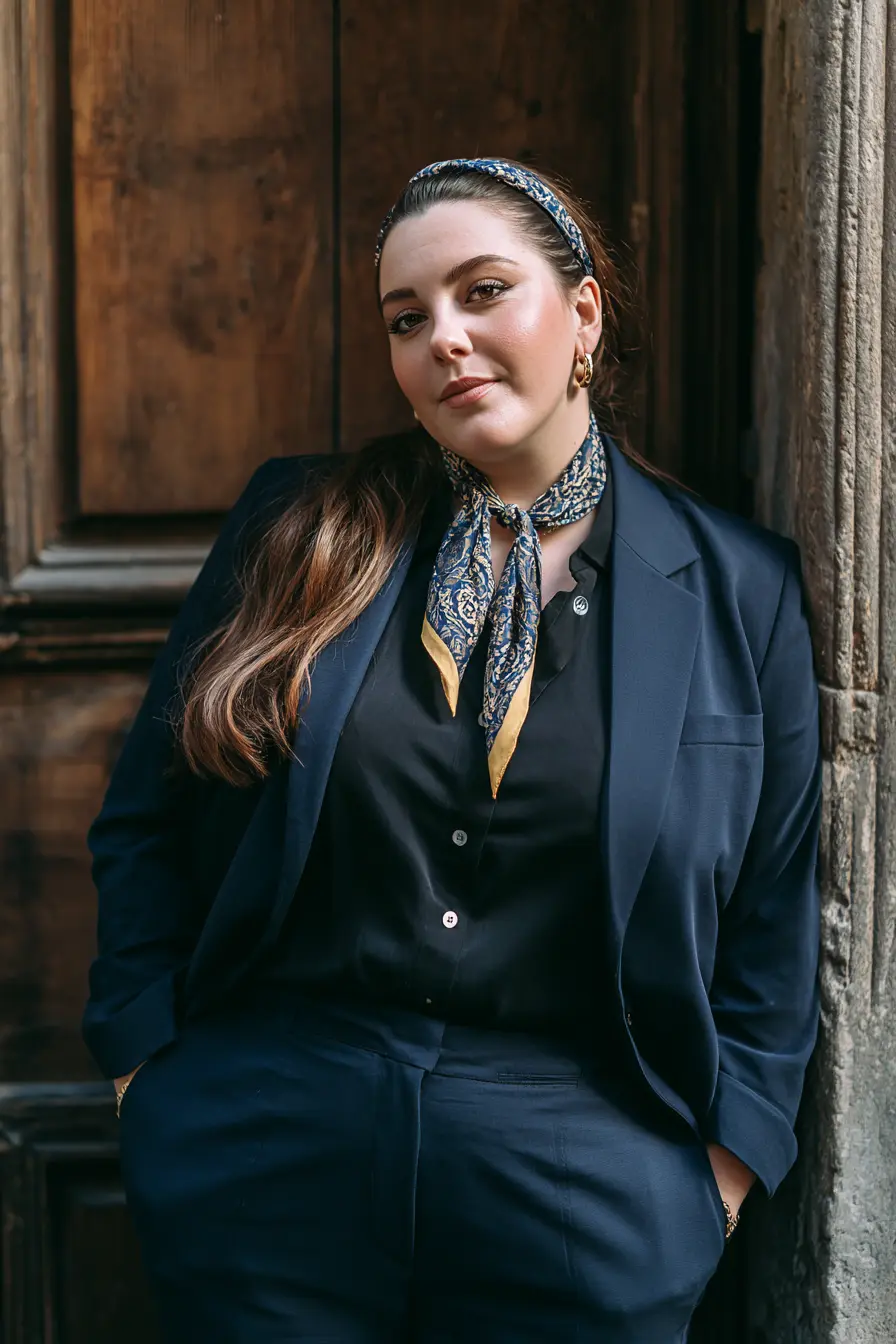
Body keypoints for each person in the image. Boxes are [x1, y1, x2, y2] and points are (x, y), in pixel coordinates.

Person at [83, 157, 822, 1343]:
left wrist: (713, 1181)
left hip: (587, 1185)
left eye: (484, 292)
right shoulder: (296, 528)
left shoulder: (740, 590)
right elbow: (147, 820)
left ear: (580, 312)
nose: (446, 339)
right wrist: (150, 1082)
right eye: (406, 318)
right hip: (268, 1154)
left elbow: (774, 917)